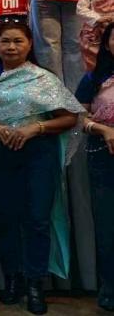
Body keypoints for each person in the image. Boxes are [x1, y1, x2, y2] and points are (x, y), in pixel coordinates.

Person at [0, 20, 83, 314]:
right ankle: (13, 279)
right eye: (5, 41)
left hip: (37, 154)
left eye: (18, 41)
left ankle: (36, 284)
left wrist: (34, 128)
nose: (11, 47)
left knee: (37, 219)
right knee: (4, 218)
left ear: (30, 44)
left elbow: (70, 117)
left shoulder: (43, 78)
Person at [77, 24, 114, 311]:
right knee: (107, 226)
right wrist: (102, 129)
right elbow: (78, 117)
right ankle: (109, 288)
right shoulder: (93, 77)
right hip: (104, 156)